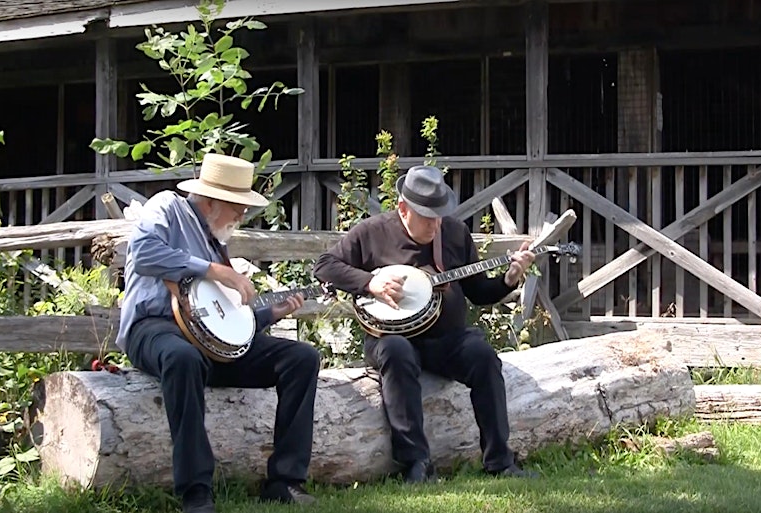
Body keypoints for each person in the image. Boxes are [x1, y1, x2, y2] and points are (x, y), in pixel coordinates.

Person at [115, 153, 320, 513]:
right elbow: (144, 253)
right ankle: (196, 493)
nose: (242, 217)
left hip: (210, 344)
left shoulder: (215, 241)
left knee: (301, 357)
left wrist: (270, 313)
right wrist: (214, 270)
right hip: (154, 328)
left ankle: (285, 481)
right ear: (211, 201)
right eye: (237, 208)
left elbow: (223, 320)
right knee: (182, 357)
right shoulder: (167, 208)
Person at [313, 164, 539, 483]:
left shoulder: (455, 233)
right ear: (403, 209)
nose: (436, 224)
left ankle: (500, 461)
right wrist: (369, 283)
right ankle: (416, 464)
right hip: (391, 337)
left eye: (439, 215)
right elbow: (325, 266)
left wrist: (509, 279)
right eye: (427, 216)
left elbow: (479, 292)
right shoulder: (372, 232)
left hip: (446, 340)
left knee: (483, 356)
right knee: (396, 352)